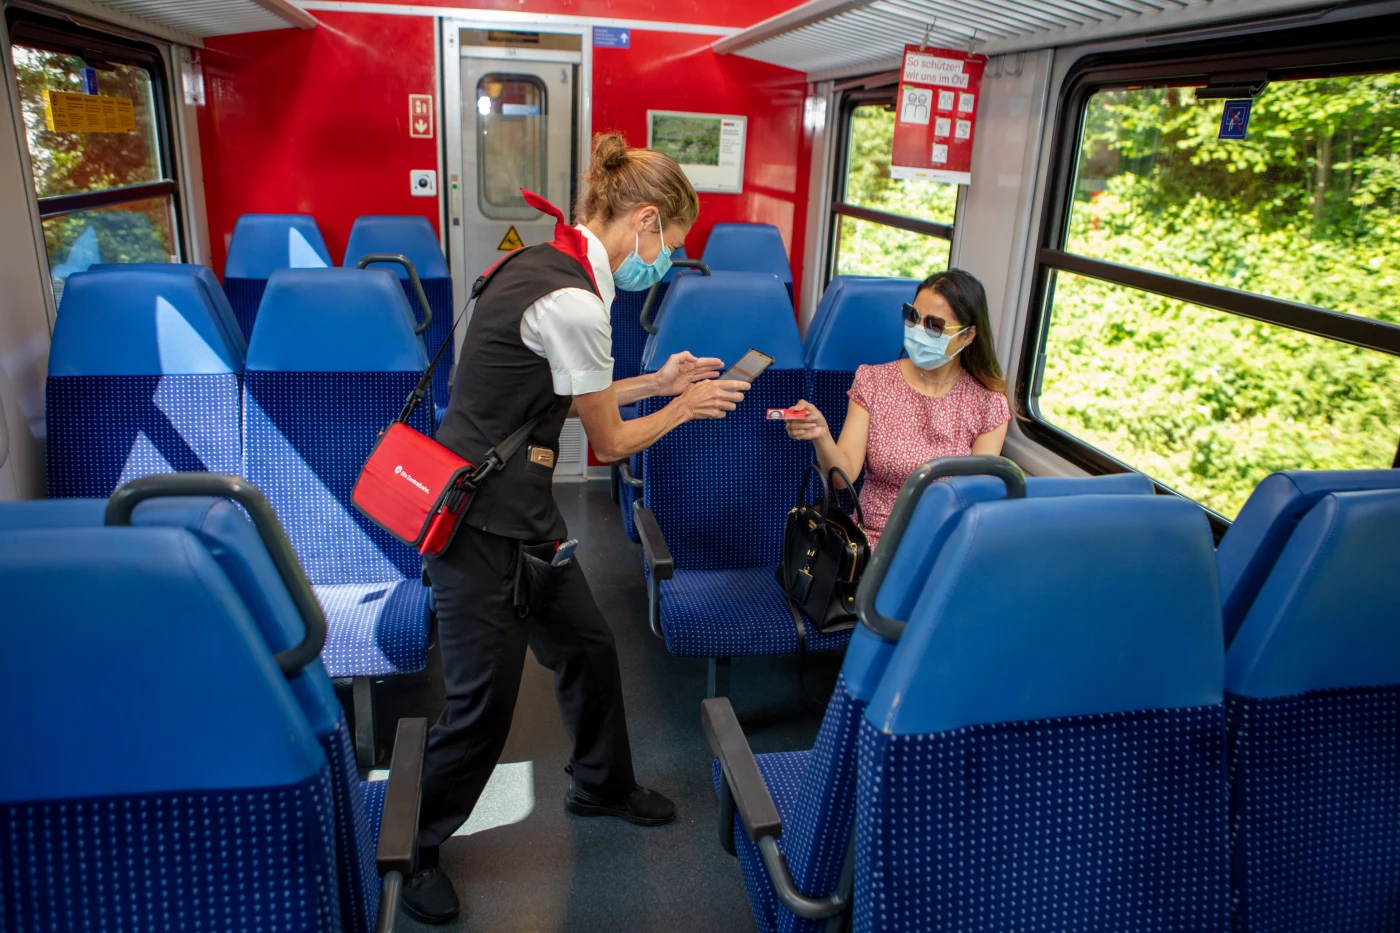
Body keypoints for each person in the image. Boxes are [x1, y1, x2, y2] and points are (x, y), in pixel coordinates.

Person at [402, 134, 749, 924]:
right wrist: (685, 406)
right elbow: (611, 441)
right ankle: (412, 845)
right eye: (672, 243)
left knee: (588, 649)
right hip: (477, 525)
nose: (665, 262)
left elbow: (563, 392)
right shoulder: (577, 302)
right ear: (646, 221)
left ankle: (601, 784)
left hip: (518, 511)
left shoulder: (546, 264)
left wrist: (656, 379)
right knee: (481, 707)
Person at [785, 269, 1011, 547]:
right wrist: (822, 436)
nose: (918, 330)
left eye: (934, 325)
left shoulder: (988, 404)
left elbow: (976, 498)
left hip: (943, 542)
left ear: (968, 335)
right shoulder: (873, 381)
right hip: (876, 539)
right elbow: (843, 477)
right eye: (913, 317)